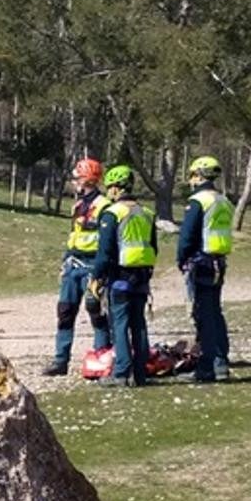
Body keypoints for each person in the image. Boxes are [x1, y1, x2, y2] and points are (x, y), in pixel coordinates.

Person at [42, 158, 112, 376]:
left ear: (86, 179)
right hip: (73, 265)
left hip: (93, 265)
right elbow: (75, 235)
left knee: (96, 313)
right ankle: (60, 360)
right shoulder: (77, 205)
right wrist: (65, 261)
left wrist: (101, 272)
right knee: (65, 312)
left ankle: (101, 358)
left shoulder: (104, 206)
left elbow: (106, 241)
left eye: (76, 178)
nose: (73, 182)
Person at [91, 165, 157, 388]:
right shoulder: (147, 213)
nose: (108, 192)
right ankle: (140, 373)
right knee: (138, 324)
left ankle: (121, 373)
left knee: (119, 324)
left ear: (116, 189)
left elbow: (105, 251)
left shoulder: (113, 213)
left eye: (109, 188)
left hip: (119, 277)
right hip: (142, 277)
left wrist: (96, 277)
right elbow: (153, 247)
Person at [177, 155, 234, 383]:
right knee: (215, 312)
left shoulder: (198, 201)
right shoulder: (223, 201)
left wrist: (181, 260)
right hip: (218, 261)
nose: (191, 180)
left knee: (203, 315)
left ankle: (206, 367)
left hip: (200, 262)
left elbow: (187, 235)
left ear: (199, 175)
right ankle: (221, 362)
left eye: (192, 175)